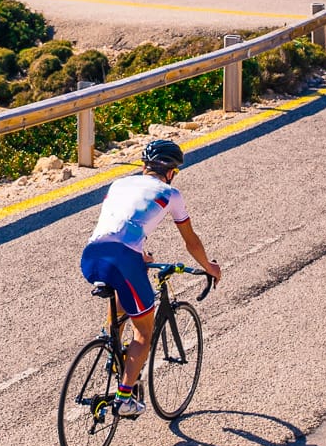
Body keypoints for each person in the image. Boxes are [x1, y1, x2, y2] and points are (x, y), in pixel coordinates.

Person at [78, 139, 221, 417]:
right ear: (170, 171)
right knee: (143, 332)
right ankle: (124, 398)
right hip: (123, 258)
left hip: (92, 255)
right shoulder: (170, 194)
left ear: (145, 166)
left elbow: (119, 224)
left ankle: (113, 351)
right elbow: (190, 241)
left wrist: (139, 255)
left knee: (123, 300)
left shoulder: (118, 184)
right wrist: (210, 267)